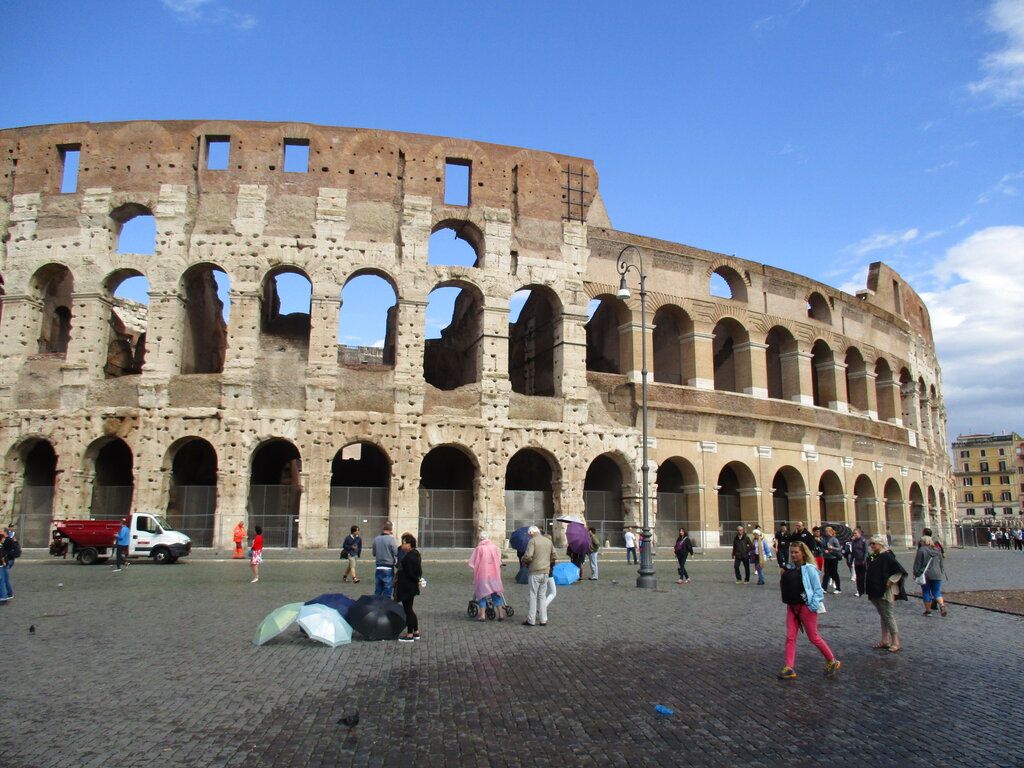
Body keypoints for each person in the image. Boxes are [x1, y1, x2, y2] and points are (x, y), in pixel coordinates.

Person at [777, 541, 841, 680]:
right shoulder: (788, 568)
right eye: (792, 552)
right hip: (792, 607)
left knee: (813, 637)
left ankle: (832, 660)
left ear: (803, 553)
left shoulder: (810, 569)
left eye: (796, 552)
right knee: (790, 637)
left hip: (806, 607)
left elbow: (818, 591)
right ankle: (789, 666)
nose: (793, 555)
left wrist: (812, 606)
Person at [865, 534, 907, 652]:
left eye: (874, 543)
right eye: (871, 543)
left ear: (881, 544)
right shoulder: (874, 556)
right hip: (875, 590)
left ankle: (896, 641)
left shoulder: (887, 556)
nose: (872, 546)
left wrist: (890, 581)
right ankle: (885, 640)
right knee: (883, 616)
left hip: (885, 591)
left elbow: (899, 571)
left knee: (888, 615)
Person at [522, 525, 555, 627]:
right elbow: (554, 555)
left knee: (533, 595)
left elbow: (528, 556)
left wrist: (524, 560)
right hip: (546, 572)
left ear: (531, 533)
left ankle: (531, 620)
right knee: (542, 596)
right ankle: (543, 619)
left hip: (535, 571)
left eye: (529, 534)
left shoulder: (532, 541)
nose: (529, 536)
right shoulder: (548, 541)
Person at [469, 532, 506, 620]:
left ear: (480, 538)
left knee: (481, 594)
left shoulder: (479, 549)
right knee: (495, 593)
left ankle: (482, 615)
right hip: (494, 574)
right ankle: (501, 614)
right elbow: (499, 561)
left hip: (483, 575)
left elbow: (474, 562)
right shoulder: (495, 548)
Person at [396, 533, 423, 642]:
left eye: (403, 543)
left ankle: (410, 634)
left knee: (408, 610)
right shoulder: (414, 554)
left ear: (409, 544)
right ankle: (415, 631)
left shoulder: (410, 557)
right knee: (410, 609)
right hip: (410, 586)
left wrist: (416, 580)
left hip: (407, 587)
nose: (402, 546)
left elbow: (411, 573)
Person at [913, 535, 948, 617]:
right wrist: (940, 571)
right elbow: (941, 563)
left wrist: (915, 573)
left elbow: (917, 563)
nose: (920, 543)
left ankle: (928, 611)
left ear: (924, 542)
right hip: (937, 574)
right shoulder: (937, 550)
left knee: (926, 592)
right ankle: (942, 605)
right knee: (937, 592)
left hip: (925, 575)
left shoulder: (921, 550)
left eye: (921, 541)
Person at [372, 521, 399, 598]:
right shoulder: (391, 540)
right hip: (388, 567)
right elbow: (396, 552)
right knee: (387, 590)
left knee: (378, 590)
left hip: (378, 566)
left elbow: (374, 553)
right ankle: (386, 607)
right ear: (391, 529)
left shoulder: (376, 539)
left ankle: (376, 606)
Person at [821, 526, 843, 594]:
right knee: (826, 573)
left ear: (830, 532)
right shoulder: (824, 539)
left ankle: (838, 588)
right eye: (825, 531)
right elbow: (822, 547)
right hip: (826, 558)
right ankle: (824, 588)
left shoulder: (834, 539)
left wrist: (832, 548)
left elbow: (839, 548)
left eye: (827, 531)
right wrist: (825, 550)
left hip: (833, 558)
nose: (826, 532)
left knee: (834, 573)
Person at [1, 526, 19, 598]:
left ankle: (5, 594)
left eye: (1, 531)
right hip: (8, 560)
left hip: (7, 560)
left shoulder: (7, 540)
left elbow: (4, 552)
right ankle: (9, 593)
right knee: (5, 578)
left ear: (5, 532)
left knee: (4, 578)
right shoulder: (9, 539)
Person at [850, 527, 869, 597]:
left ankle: (863, 590)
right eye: (853, 533)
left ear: (859, 533)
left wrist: (864, 560)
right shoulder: (854, 541)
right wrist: (851, 560)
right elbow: (853, 552)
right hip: (856, 561)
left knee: (863, 577)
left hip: (863, 561)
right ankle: (859, 590)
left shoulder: (863, 541)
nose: (854, 535)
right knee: (858, 577)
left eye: (855, 533)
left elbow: (866, 551)